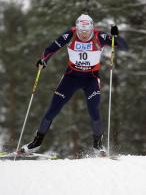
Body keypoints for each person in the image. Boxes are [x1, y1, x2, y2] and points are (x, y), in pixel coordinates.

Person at [21, 14, 128, 155]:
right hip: (71, 78)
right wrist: (43, 60)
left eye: (87, 31)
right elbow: (50, 49)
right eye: (81, 31)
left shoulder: (100, 36)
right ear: (77, 28)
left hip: (91, 79)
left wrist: (116, 37)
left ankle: (98, 145)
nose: (84, 34)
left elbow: (124, 46)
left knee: (94, 109)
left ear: (91, 29)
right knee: (53, 109)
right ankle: (36, 143)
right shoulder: (69, 35)